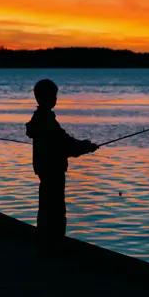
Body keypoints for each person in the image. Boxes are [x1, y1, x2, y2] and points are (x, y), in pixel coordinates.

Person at [25, 79, 98, 252]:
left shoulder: (39, 118)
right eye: (54, 95)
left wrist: (82, 146)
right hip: (53, 169)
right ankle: (54, 246)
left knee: (46, 207)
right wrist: (86, 146)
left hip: (44, 168)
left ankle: (44, 241)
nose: (56, 99)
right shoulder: (47, 120)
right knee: (56, 210)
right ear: (47, 97)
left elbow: (62, 142)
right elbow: (64, 144)